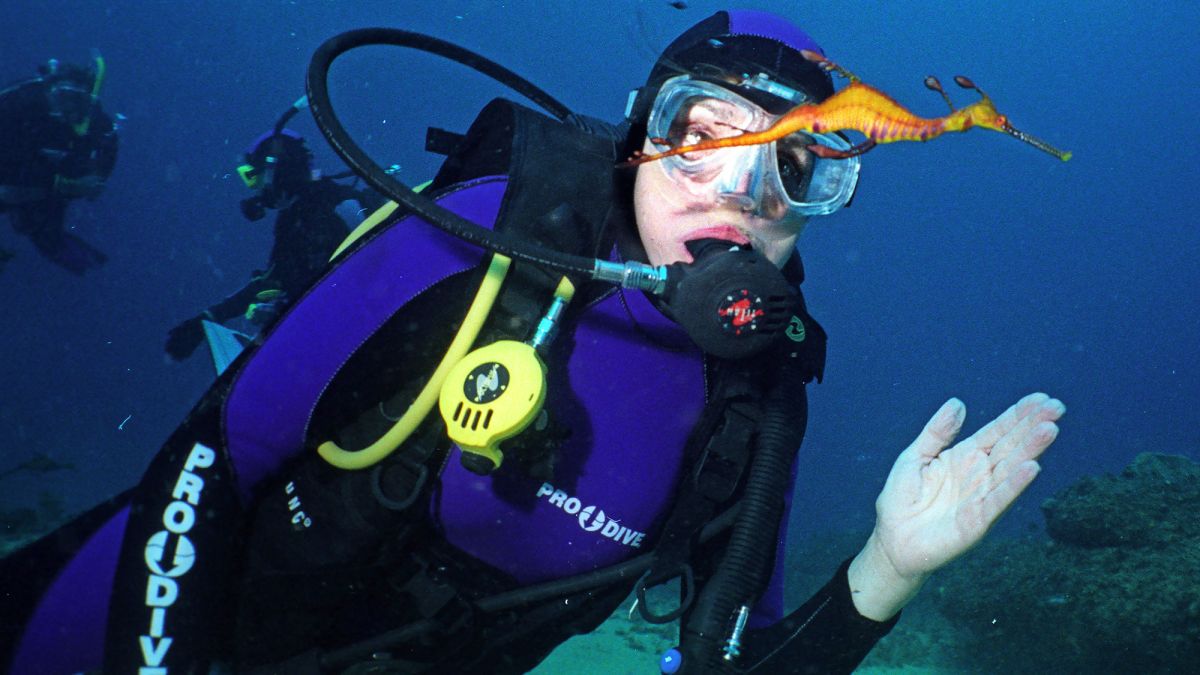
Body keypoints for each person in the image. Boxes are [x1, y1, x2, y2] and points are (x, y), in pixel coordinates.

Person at [0, 10, 1066, 674]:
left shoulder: (758, 403)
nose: (737, 193)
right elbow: (210, 459)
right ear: (639, 136)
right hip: (135, 611)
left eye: (798, 167)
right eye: (702, 137)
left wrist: (886, 570)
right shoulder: (464, 249)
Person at [164, 102, 384, 363]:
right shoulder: (304, 213)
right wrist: (208, 319)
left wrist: (279, 308)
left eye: (254, 179)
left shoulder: (315, 215)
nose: (255, 190)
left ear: (275, 174)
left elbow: (331, 289)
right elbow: (278, 279)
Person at [0, 53, 117, 275]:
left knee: (48, 238)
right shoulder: (17, 103)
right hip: (16, 175)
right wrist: (64, 185)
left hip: (44, 189)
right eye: (63, 96)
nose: (69, 107)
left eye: (78, 99)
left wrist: (97, 177)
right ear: (49, 89)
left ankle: (98, 272)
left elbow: (108, 146)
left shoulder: (94, 121)